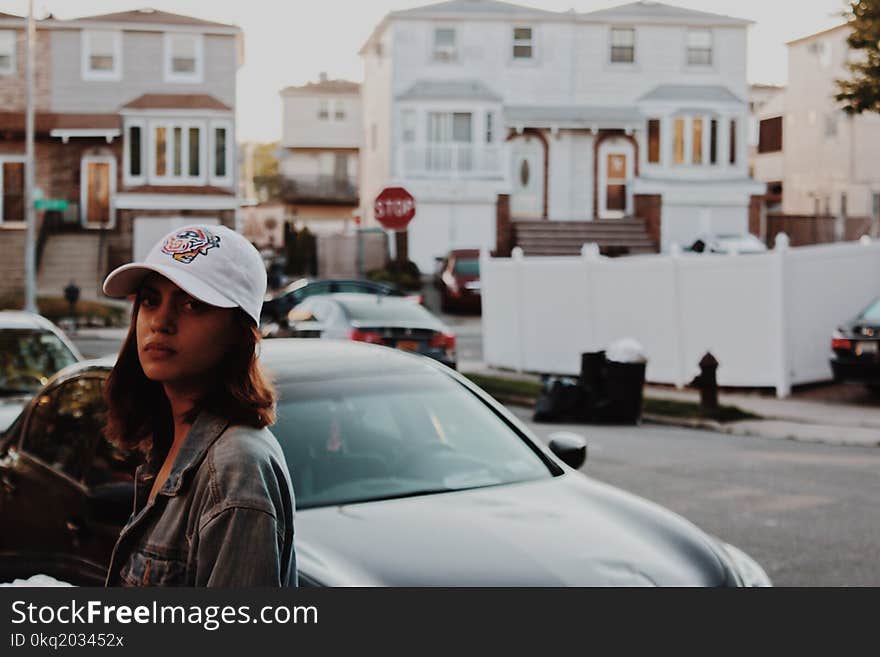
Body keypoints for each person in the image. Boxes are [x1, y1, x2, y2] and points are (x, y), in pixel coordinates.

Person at [101, 225, 296, 587]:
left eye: (192, 304)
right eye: (150, 300)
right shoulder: (171, 442)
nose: (160, 322)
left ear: (238, 332)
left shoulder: (236, 470)